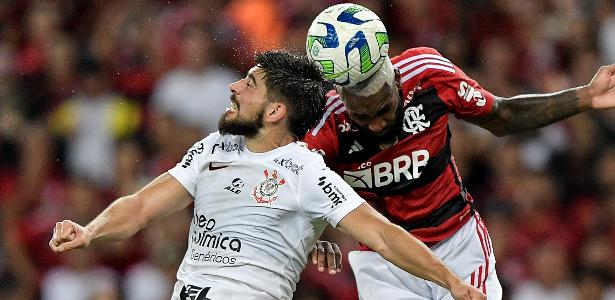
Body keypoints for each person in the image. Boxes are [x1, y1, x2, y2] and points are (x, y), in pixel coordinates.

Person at [49, 51, 485, 300]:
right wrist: (90, 231)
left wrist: (450, 282)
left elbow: (386, 236)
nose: (234, 88)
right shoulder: (212, 148)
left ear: (276, 111)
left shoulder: (307, 171)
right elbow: (142, 206)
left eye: (249, 83)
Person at [303, 3, 615, 299]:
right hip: (384, 262)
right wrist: (312, 236)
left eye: (383, 109)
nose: (375, 125)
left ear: (395, 81)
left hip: (458, 246)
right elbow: (295, 186)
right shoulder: (325, 123)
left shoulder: (428, 74)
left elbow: (503, 116)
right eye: (362, 117)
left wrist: (585, 96)